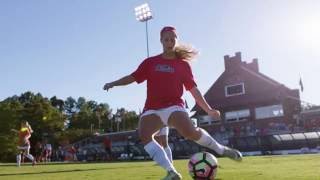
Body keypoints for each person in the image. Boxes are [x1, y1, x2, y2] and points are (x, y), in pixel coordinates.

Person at [103, 26, 242, 180]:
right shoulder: (151, 62)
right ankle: (171, 172)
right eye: (166, 39)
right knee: (144, 135)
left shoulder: (182, 65)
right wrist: (113, 83)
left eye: (172, 39)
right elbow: (133, 77)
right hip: (152, 109)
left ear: (176, 40)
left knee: (190, 133)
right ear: (161, 41)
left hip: (174, 106)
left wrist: (208, 109)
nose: (169, 42)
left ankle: (222, 150)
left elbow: (193, 89)